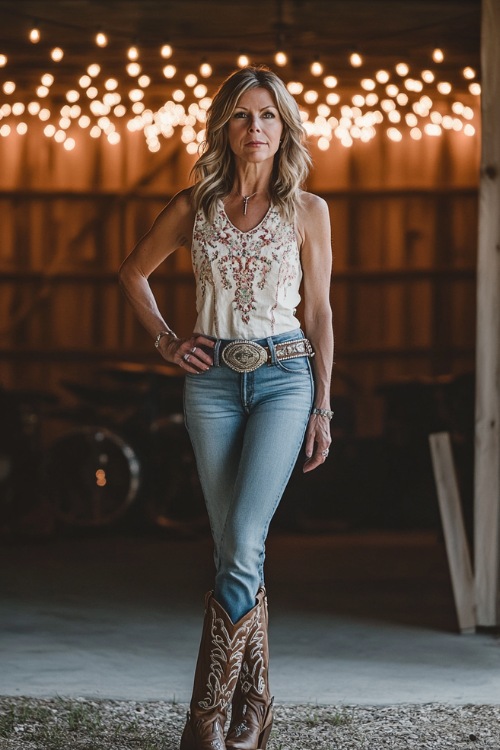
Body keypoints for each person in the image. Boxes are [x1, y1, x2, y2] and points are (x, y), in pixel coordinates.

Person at [119, 65, 334, 750]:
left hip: (284, 377)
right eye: (242, 115)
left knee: (242, 541)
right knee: (232, 550)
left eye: (268, 115)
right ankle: (255, 708)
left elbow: (323, 311)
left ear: (284, 126)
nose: (256, 128)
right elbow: (132, 273)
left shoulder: (309, 210)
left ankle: (204, 719)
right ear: (224, 126)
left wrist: (324, 405)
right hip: (210, 383)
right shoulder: (192, 206)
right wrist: (164, 342)